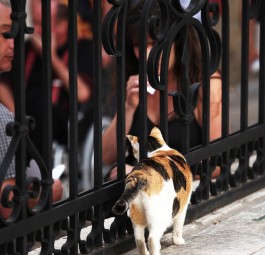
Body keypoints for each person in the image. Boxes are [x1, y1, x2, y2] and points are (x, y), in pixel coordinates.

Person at [102, 0, 222, 179]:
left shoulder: (206, 84)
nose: (147, 55)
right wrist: (128, 107)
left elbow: (217, 163)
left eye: (155, 43)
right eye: (139, 46)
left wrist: (149, 175)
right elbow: (105, 156)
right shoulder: (133, 81)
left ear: (177, 40)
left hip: (184, 199)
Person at [0, 0, 63, 219]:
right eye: (5, 34)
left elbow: (82, 93)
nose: (12, 43)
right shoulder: (3, 120)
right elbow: (7, 204)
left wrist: (51, 55)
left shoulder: (77, 48)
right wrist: (46, 193)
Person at [25, 0, 93, 154]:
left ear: (63, 24)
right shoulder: (29, 47)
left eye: (43, 24)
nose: (37, 29)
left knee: (42, 108)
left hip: (62, 124)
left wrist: (50, 57)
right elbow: (4, 84)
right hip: (24, 119)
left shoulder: (83, 48)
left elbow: (82, 94)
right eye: (35, 23)